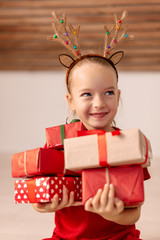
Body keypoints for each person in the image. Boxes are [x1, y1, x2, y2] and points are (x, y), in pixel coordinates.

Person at [32, 11, 150, 239]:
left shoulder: (130, 147)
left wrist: (114, 215)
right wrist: (44, 205)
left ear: (118, 96)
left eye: (108, 92)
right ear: (71, 102)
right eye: (86, 94)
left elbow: (134, 213)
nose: (99, 103)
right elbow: (38, 199)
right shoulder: (58, 145)